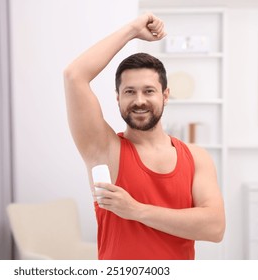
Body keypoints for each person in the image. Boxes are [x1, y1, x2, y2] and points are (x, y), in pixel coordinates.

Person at [63, 13, 225, 260]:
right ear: (118, 97)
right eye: (130, 92)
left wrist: (136, 211)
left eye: (149, 91)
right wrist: (131, 30)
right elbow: (74, 76)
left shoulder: (196, 158)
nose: (139, 101)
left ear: (165, 95)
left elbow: (215, 227)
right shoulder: (105, 149)